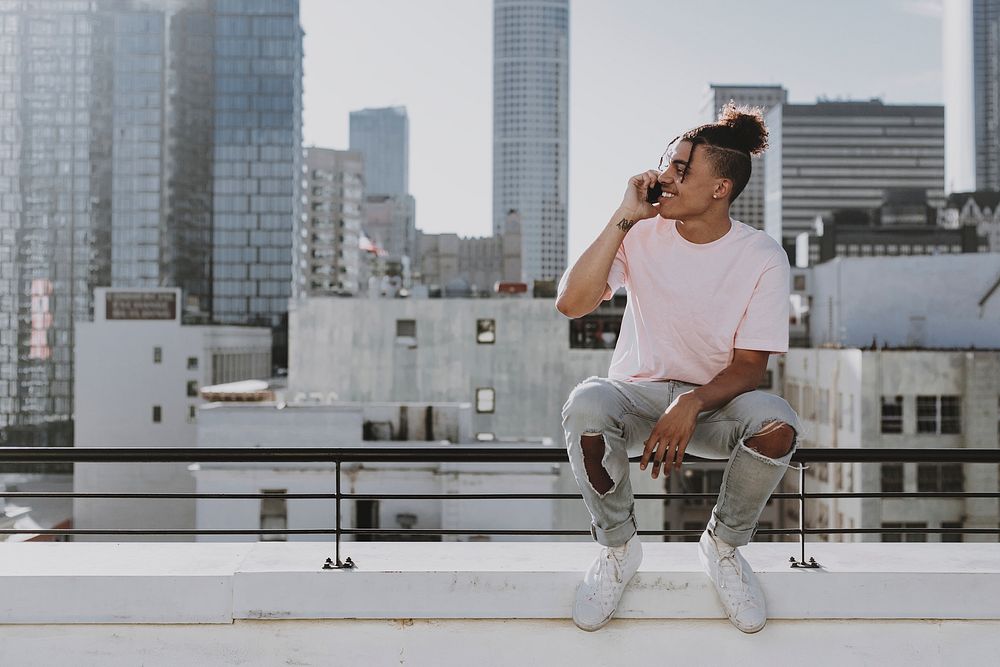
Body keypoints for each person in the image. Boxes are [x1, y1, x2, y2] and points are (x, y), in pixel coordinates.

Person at [555, 103, 802, 634]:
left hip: (712, 407)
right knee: (586, 404)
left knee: (779, 423)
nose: (662, 179)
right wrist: (624, 218)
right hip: (638, 401)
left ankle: (724, 548)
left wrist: (690, 402)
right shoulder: (642, 233)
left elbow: (748, 369)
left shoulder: (761, 255)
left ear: (720, 188)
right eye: (665, 165)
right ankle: (618, 551)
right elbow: (571, 304)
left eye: (680, 170)